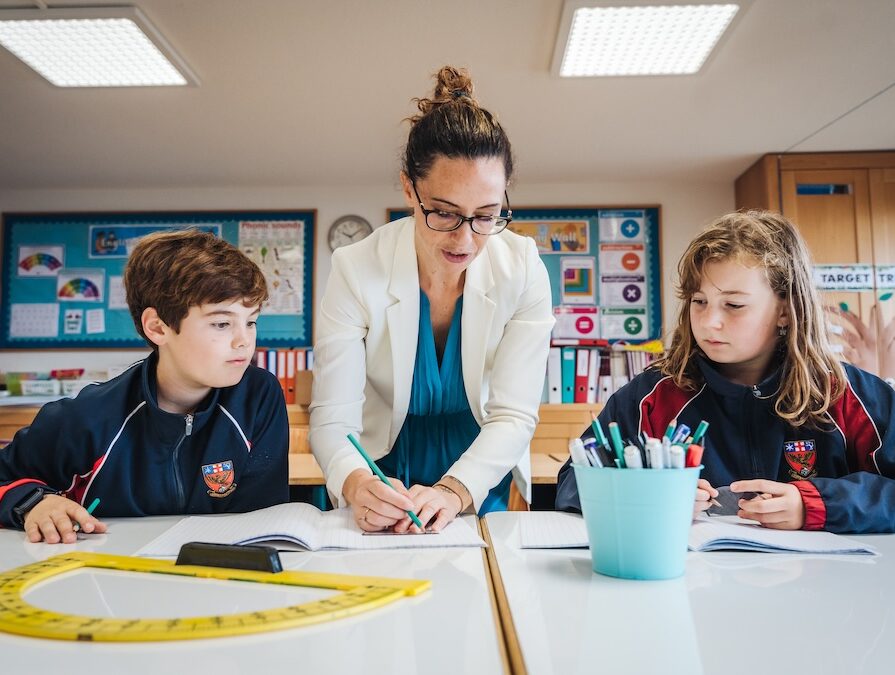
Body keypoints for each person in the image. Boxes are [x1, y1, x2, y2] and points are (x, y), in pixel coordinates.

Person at [310, 66, 554, 533]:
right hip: (380, 459)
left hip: (477, 460)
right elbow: (333, 416)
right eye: (444, 212)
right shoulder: (356, 268)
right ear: (409, 189)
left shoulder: (521, 266)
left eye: (487, 215)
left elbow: (514, 413)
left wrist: (455, 489)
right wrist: (357, 482)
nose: (465, 239)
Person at [556, 210, 895, 534]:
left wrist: (819, 505)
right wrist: (645, 497)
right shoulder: (653, 396)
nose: (708, 322)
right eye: (698, 301)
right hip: (691, 586)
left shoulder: (846, 395)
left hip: (830, 587)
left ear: (785, 311)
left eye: (734, 305)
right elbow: (573, 481)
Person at [0, 229, 289, 543]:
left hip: (221, 578)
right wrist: (33, 503)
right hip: (106, 578)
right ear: (158, 327)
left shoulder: (258, 396)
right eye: (222, 323)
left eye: (251, 321)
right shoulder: (88, 417)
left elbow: (264, 517)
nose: (244, 341)